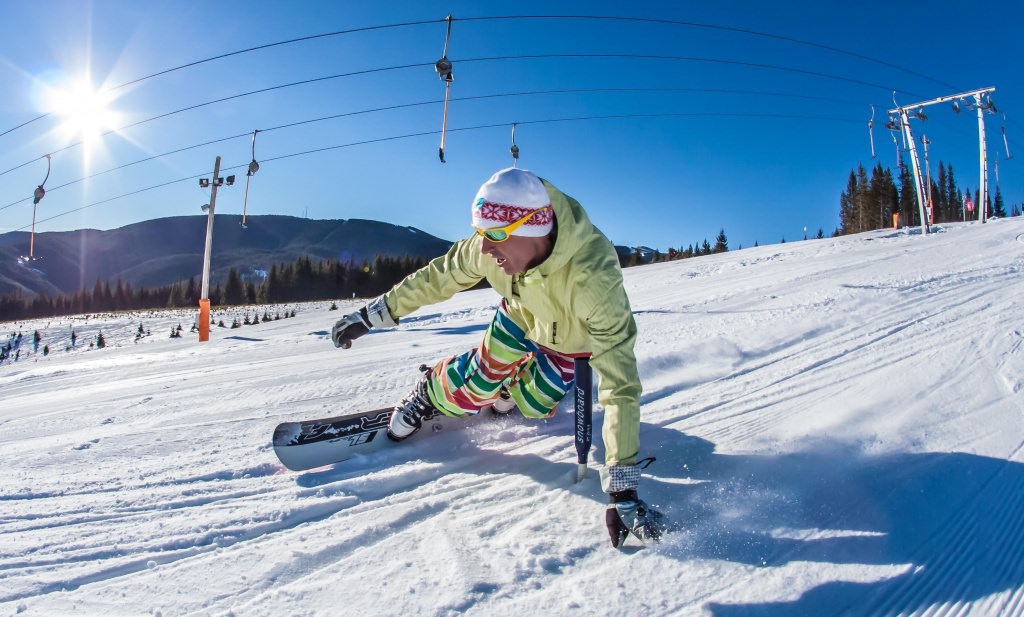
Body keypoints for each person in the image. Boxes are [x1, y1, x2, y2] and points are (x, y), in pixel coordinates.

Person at [331, 167, 662, 547]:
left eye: (495, 236)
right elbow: (439, 276)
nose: (485, 249)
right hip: (520, 315)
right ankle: (432, 389)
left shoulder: (593, 279)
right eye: (480, 234)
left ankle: (512, 390)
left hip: (571, 341)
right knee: (479, 381)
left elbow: (620, 383)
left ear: (534, 228)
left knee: (534, 405)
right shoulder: (488, 247)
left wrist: (621, 489)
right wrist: (374, 314)